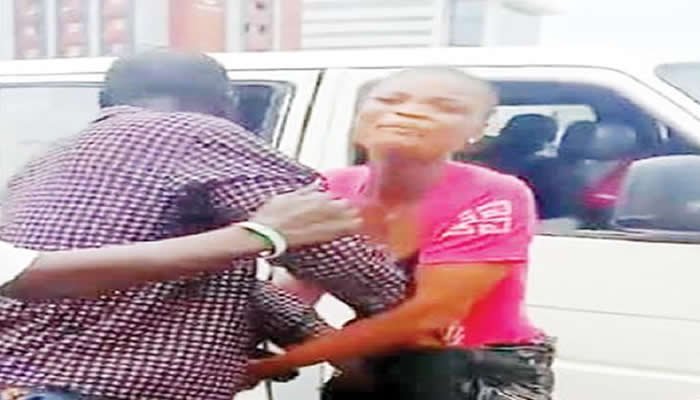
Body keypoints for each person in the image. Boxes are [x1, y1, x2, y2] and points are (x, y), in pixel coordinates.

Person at [0, 50, 409, 400]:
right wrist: (414, 308)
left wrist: (312, 333)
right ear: (227, 105)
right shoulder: (196, 134)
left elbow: (185, 273)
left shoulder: (45, 163)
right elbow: (322, 240)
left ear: (106, 101)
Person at [252, 67, 555, 400]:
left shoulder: (494, 194)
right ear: (360, 117)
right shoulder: (330, 188)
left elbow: (430, 315)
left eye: (445, 106)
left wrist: (275, 365)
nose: (410, 111)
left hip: (481, 366)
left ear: (477, 131)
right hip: (374, 359)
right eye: (389, 100)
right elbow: (296, 288)